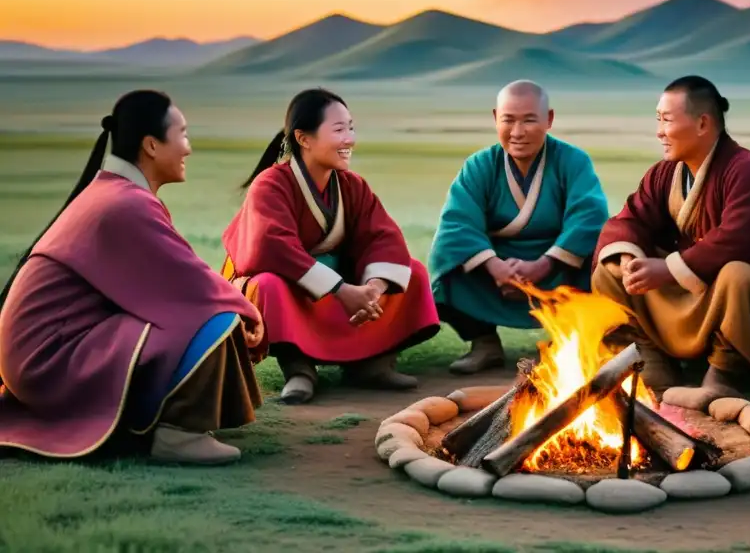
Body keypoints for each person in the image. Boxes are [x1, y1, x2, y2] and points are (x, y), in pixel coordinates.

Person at [0, 90, 264, 466]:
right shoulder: (125, 203)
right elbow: (189, 283)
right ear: (152, 145)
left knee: (205, 307)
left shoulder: (115, 193)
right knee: (211, 316)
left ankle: (156, 422)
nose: (188, 148)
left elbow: (177, 273)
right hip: (49, 360)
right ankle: (177, 434)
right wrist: (247, 309)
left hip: (39, 354)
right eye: (183, 135)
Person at [221, 88, 440, 405]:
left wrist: (372, 289)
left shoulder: (352, 185)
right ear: (304, 138)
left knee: (413, 272)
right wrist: (342, 291)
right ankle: (299, 370)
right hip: (293, 285)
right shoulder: (271, 184)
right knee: (268, 286)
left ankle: (372, 364)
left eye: (351, 128)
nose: (349, 139)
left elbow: (381, 236)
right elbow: (270, 248)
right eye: (339, 130)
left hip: (338, 287)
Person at [591, 76, 750, 406]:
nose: (659, 131)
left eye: (667, 120)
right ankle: (651, 365)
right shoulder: (663, 173)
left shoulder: (747, 170)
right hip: (690, 291)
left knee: (738, 276)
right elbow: (629, 220)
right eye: (658, 119)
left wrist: (668, 269)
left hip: (735, 297)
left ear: (702, 123)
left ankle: (724, 374)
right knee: (610, 269)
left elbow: (742, 241)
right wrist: (630, 260)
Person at [428, 80, 609, 374]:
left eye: (529, 120)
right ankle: (484, 342)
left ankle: (568, 343)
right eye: (508, 120)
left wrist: (544, 265)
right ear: (494, 118)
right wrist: (495, 267)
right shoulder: (479, 165)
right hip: (495, 272)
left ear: (548, 119)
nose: (517, 132)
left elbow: (589, 216)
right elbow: (458, 224)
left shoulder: (573, 161)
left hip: (557, 267)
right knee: (444, 261)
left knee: (602, 262)